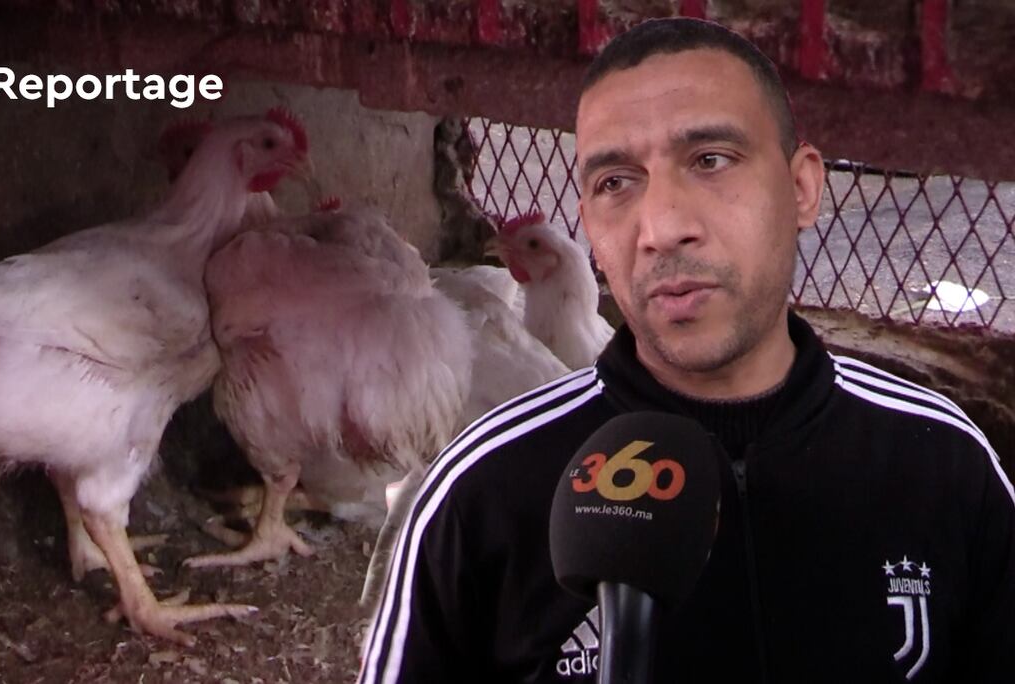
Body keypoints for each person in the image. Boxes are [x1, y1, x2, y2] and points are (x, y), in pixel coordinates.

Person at [358, 17, 1015, 684]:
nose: (663, 227)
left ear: (802, 189)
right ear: (589, 225)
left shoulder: (944, 466)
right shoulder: (480, 494)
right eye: (617, 181)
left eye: (710, 161)